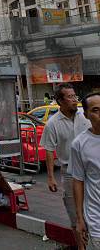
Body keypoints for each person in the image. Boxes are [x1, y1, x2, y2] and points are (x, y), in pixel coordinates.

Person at [40, 83, 90, 234]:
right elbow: (49, 150)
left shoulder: (85, 115)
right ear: (60, 101)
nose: (75, 99)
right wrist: (50, 177)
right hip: (70, 173)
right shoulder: (52, 124)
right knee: (75, 214)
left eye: (75, 96)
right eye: (70, 97)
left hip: (92, 170)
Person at [69, 92, 100, 250]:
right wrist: (80, 218)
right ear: (86, 115)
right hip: (96, 220)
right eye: (95, 110)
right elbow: (78, 182)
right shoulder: (80, 144)